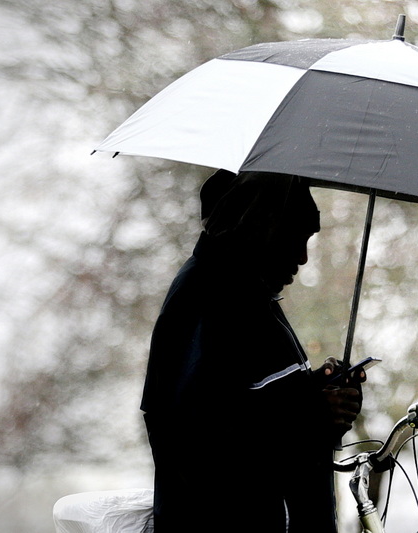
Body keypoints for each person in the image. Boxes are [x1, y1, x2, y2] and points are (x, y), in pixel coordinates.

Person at [140, 170, 365, 532]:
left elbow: (257, 399)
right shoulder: (208, 298)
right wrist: (312, 410)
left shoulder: (250, 297)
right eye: (297, 235)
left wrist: (323, 393)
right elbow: (196, 441)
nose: (304, 257)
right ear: (262, 226)